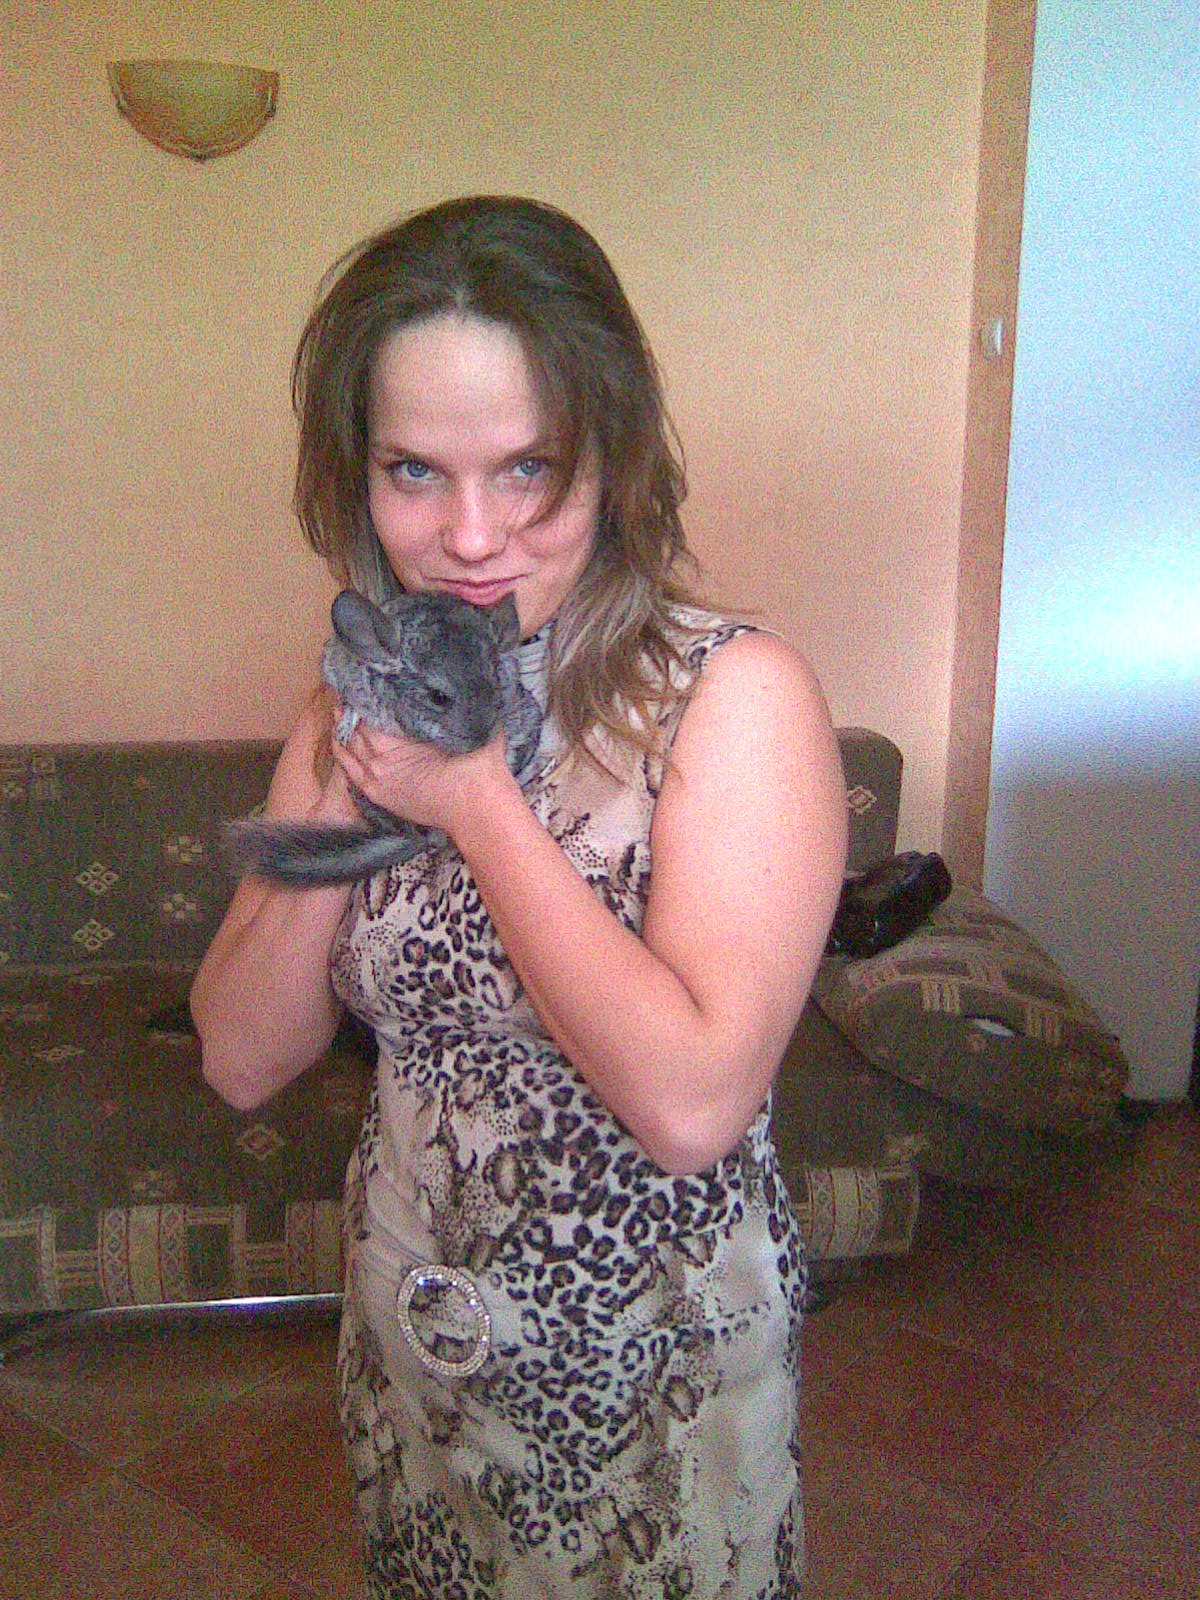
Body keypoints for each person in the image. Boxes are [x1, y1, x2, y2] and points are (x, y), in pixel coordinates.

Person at [191, 195, 847, 1599]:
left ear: (612, 455)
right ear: (357, 478)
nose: (470, 535)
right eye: (414, 472)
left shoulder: (730, 698)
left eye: (528, 467)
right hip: (414, 1353)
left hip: (646, 1389)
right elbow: (241, 1056)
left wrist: (477, 807)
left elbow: (691, 1107)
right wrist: (355, 781)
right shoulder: (355, 700)